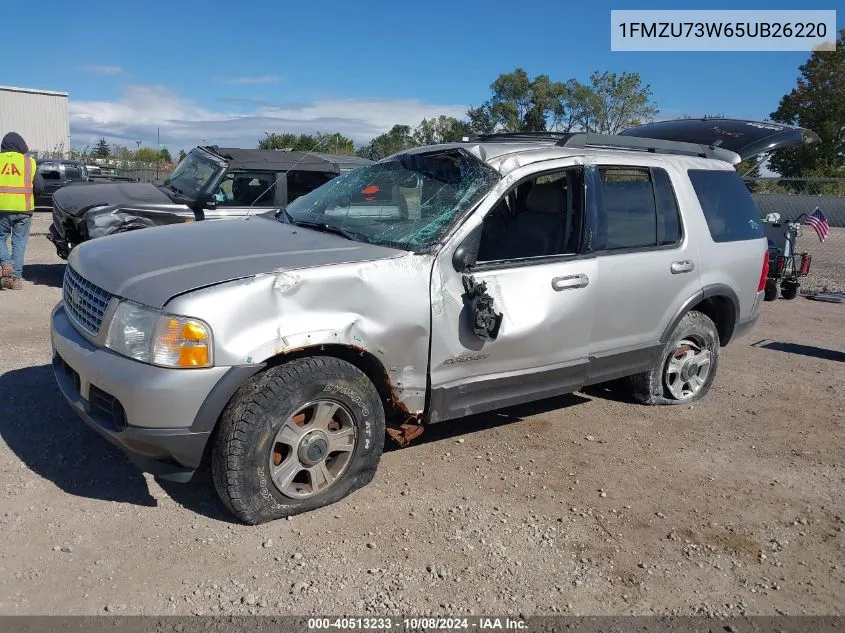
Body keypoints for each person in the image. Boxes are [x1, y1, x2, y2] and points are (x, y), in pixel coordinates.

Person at [0, 132, 42, 290]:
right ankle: (16, 279)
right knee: (19, 243)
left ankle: (5, 263)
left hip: (1, 208)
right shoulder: (29, 162)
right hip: (24, 209)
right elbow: (39, 186)